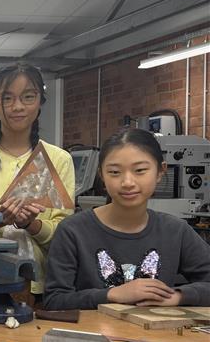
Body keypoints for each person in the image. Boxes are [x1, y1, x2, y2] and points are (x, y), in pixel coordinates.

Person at [44, 128, 210, 310]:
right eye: (115, 172)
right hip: (94, 328)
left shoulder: (175, 231)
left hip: (154, 328)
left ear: (160, 171)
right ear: (101, 175)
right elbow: (54, 300)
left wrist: (176, 296)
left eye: (140, 170)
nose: (128, 182)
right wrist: (111, 294)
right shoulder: (73, 231)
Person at [0, 63, 75, 304]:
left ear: (40, 102)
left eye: (28, 97)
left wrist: (31, 225)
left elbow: (65, 235)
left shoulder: (58, 160)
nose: (18, 106)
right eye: (7, 98)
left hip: (40, 289)